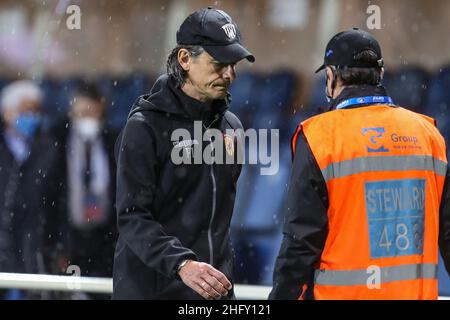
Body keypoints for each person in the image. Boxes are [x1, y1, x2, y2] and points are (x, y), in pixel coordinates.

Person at [269, 28, 450, 300]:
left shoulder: (319, 136)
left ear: (330, 76)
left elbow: (301, 243)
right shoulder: (429, 134)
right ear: (381, 74)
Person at [112, 7, 254, 300]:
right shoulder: (144, 127)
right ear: (185, 59)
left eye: (234, 64)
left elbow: (219, 223)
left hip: (212, 293)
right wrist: (182, 264)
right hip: (153, 292)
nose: (229, 74)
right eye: (219, 64)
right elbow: (132, 217)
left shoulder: (232, 128)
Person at [52, 83, 117, 291]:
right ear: (72, 112)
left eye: (92, 112)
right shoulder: (56, 141)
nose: (87, 117)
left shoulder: (113, 140)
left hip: (105, 238)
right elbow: (48, 195)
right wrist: (58, 244)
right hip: (69, 237)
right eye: (82, 112)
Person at [0, 81, 61, 299]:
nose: (32, 116)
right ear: (7, 112)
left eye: (36, 110)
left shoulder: (48, 150)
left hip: (32, 249)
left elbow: (55, 201)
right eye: (26, 110)